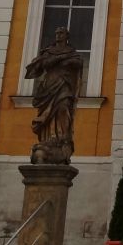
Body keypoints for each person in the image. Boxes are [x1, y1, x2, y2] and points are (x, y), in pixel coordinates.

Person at [24, 26, 83, 163]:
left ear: (66, 36)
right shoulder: (49, 51)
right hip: (50, 85)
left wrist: (67, 60)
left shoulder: (71, 51)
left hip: (65, 84)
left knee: (63, 107)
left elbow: (78, 62)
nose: (58, 35)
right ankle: (48, 138)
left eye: (61, 33)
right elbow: (46, 63)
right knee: (47, 114)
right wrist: (63, 59)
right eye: (56, 33)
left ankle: (62, 137)